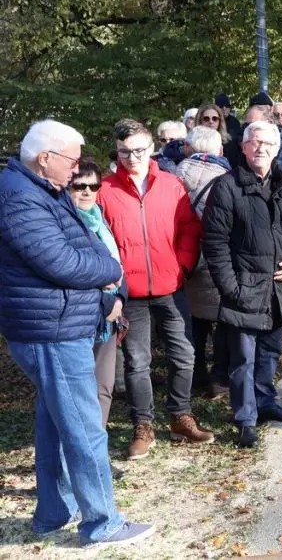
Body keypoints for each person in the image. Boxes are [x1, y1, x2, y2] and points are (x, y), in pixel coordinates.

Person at [0, 120, 154, 546]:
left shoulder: (39, 190)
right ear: (44, 158)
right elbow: (61, 262)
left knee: (55, 424)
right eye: (70, 159)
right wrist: (111, 269)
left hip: (57, 324)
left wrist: (103, 270)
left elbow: (83, 243)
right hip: (50, 331)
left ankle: (53, 513)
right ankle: (102, 523)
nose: (75, 171)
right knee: (85, 429)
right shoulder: (19, 197)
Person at [98, 119, 212, 459]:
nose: (132, 157)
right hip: (129, 292)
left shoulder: (171, 184)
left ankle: (180, 416)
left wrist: (184, 264)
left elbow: (190, 228)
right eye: (124, 151)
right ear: (116, 151)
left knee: (185, 355)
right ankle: (143, 425)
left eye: (138, 150)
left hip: (170, 286)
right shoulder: (105, 190)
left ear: (151, 150)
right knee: (136, 361)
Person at [203, 120, 282, 448]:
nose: (261, 148)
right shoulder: (227, 187)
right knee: (242, 359)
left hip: (281, 289)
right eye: (254, 142)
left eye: (268, 143)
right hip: (244, 289)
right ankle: (245, 418)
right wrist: (231, 289)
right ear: (243, 147)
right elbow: (214, 243)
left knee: (269, 352)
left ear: (277, 148)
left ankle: (265, 403)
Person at [68, 159, 128, 427]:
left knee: (104, 387)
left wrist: (118, 297)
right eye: (79, 185)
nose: (87, 192)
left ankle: (96, 450)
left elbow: (119, 267)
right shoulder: (62, 222)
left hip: (108, 319)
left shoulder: (100, 219)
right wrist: (106, 300)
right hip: (79, 318)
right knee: (77, 393)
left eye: (93, 186)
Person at [176, 125, 232, 398]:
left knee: (193, 320)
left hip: (185, 257)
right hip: (216, 255)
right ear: (220, 150)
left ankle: (194, 373)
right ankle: (219, 378)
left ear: (189, 148)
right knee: (222, 317)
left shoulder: (174, 175)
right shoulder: (226, 177)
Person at [195, 103, 242, 169]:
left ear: (220, 121)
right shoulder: (192, 143)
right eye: (206, 118)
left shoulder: (229, 143)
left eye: (215, 118)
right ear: (199, 121)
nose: (211, 121)